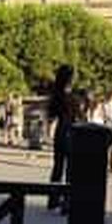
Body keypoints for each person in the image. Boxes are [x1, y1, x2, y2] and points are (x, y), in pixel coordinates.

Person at [47, 65, 74, 211]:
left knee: (57, 166)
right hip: (71, 132)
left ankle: (53, 199)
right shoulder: (70, 95)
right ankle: (67, 201)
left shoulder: (55, 94)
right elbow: (77, 115)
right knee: (70, 169)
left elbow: (51, 115)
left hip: (60, 131)